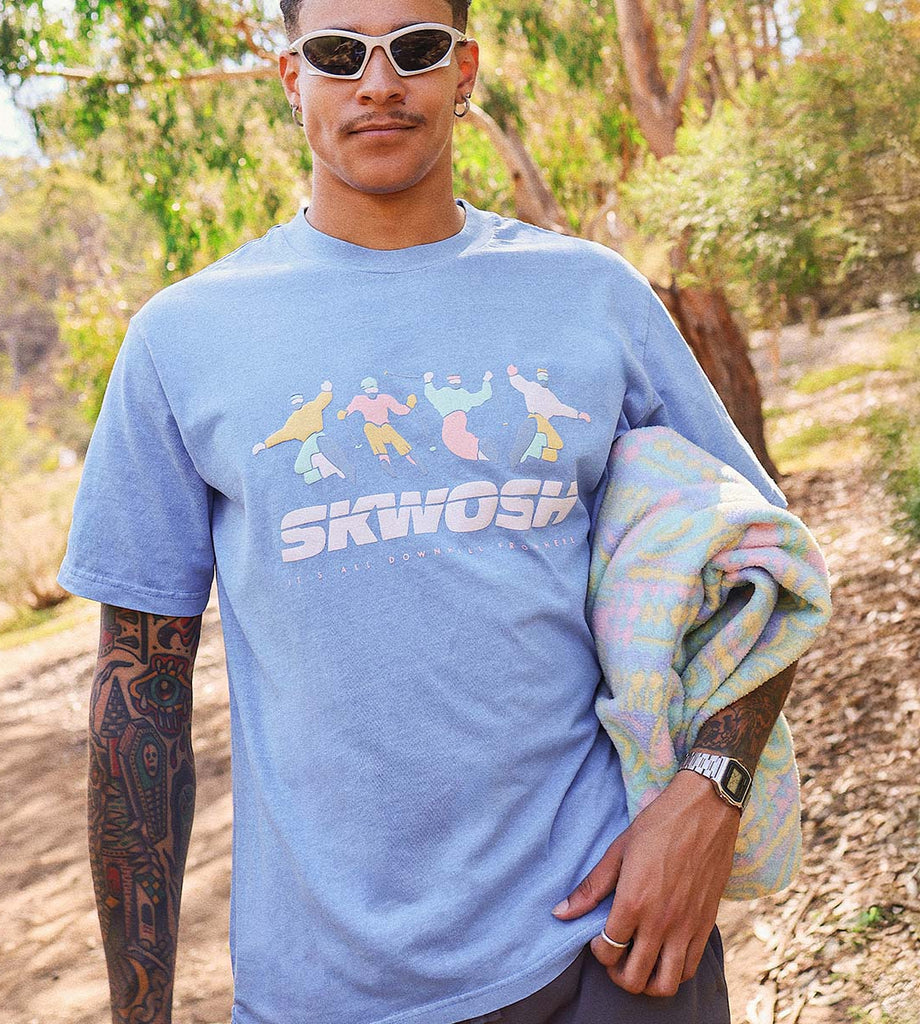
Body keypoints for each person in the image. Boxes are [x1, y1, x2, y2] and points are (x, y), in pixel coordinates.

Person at [58, 1, 802, 1021]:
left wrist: (709, 795)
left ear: (464, 70)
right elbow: (140, 692)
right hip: (328, 991)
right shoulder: (182, 339)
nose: (378, 84)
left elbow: (765, 564)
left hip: (610, 953)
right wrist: (138, 1011)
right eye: (338, 54)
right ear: (292, 78)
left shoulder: (590, 295)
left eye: (414, 49)